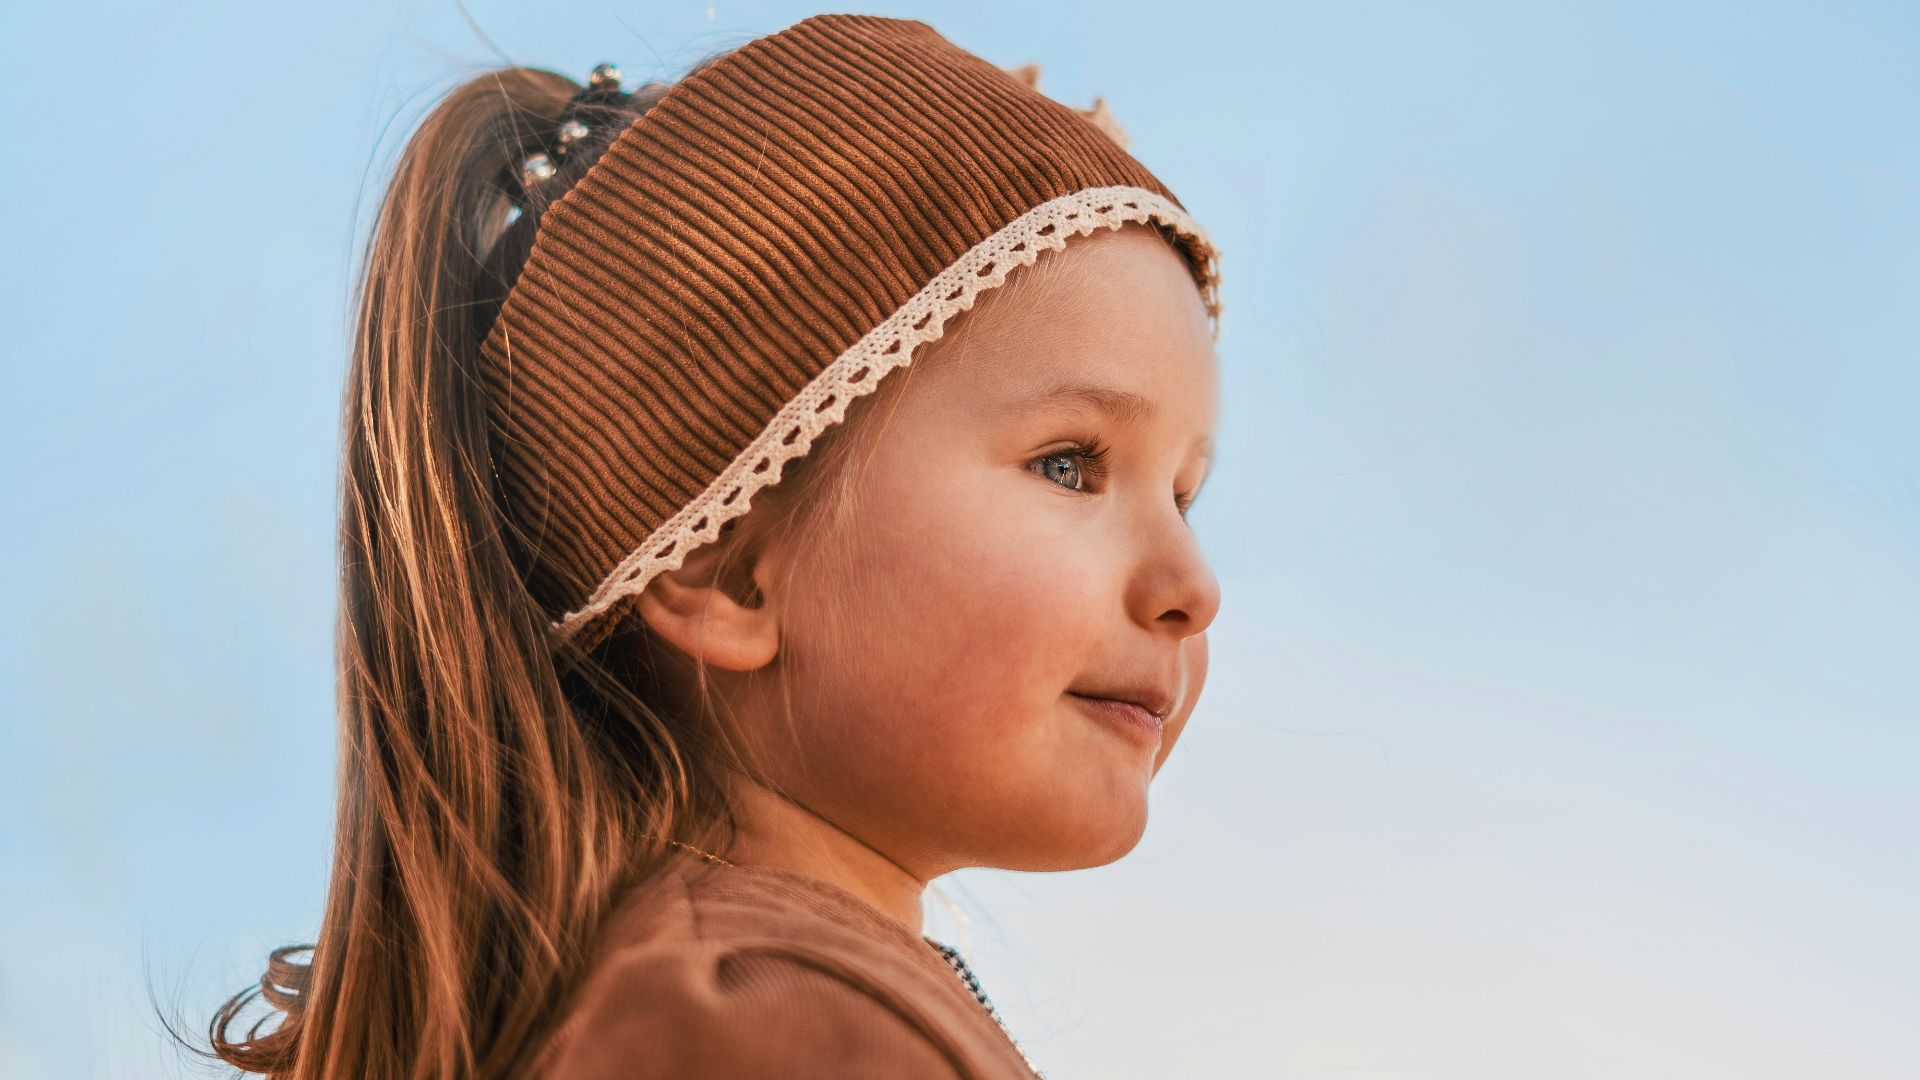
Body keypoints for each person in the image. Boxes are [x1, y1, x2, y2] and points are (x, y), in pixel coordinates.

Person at [202, 12, 1224, 1078]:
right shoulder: (768, 1025)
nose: (1192, 587)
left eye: (1185, 496)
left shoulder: (742, 993)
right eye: (1069, 465)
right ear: (723, 569)